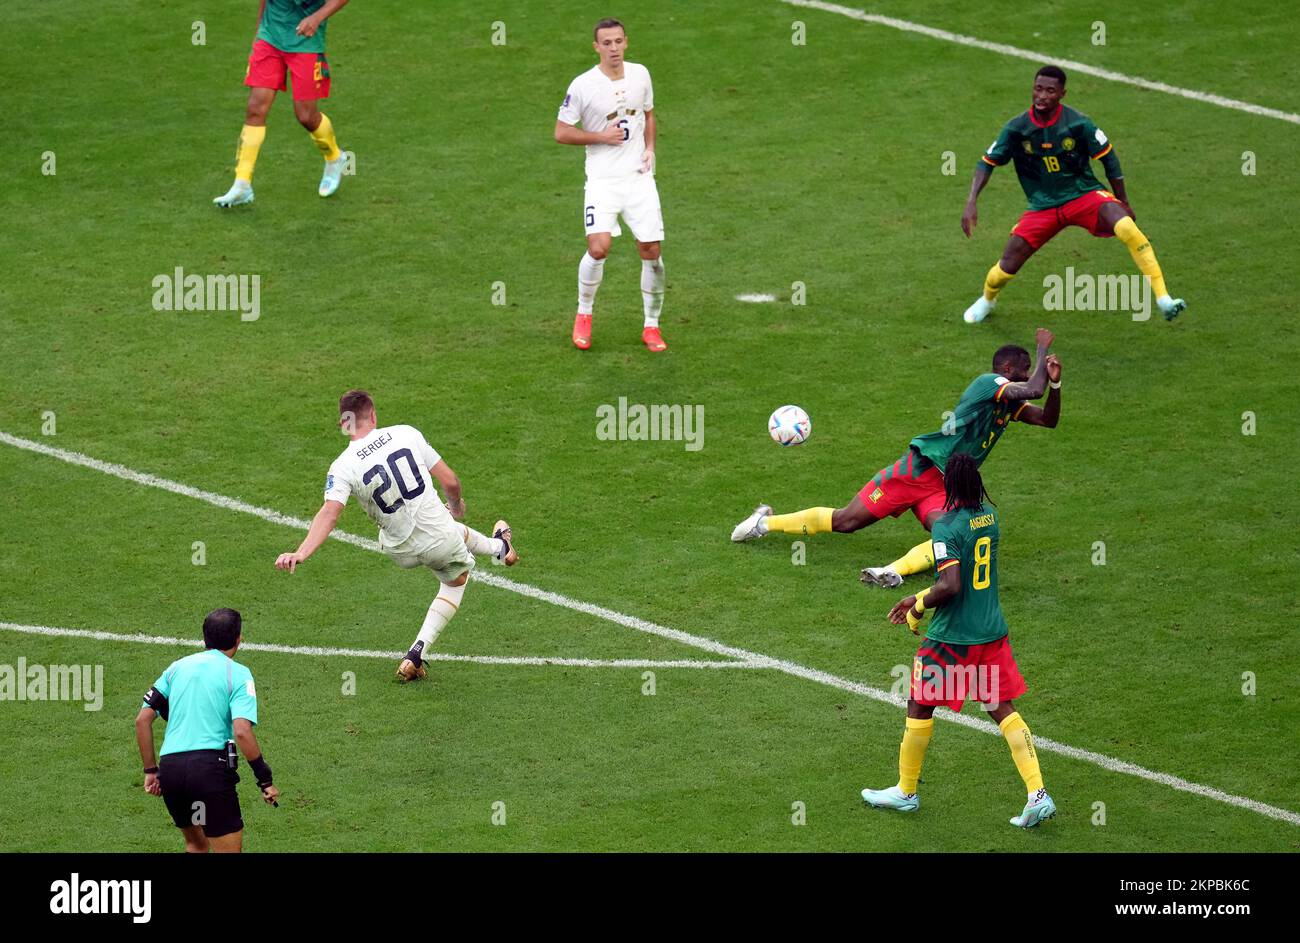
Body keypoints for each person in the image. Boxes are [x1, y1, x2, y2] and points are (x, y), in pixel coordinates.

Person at [731, 329, 1061, 589]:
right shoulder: (989, 383)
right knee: (847, 522)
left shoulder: (1008, 404)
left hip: (945, 484)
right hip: (916, 471)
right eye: (1025, 367)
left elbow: (1047, 418)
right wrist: (1043, 348)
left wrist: (1056, 383)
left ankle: (889, 571)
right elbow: (1033, 389)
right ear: (1007, 369)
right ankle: (762, 523)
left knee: (951, 537)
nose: (1029, 372)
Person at [861, 454, 1056, 828]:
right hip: (991, 631)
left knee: (919, 704)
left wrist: (917, 601)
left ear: (949, 485)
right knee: (1000, 705)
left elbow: (950, 585)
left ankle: (905, 791)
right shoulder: (990, 517)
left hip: (953, 638)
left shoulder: (946, 527)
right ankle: (1037, 793)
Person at [273, 390, 518, 681]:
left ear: (343, 424)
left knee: (435, 523)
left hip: (397, 548)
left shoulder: (342, 466)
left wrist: (301, 552)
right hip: (438, 540)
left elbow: (330, 512)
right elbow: (451, 481)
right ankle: (417, 653)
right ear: (374, 415)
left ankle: (499, 548)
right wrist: (455, 506)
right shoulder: (406, 434)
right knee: (456, 579)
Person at [959, 65, 1185, 323]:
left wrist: (1122, 201)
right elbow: (986, 163)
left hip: (1083, 195)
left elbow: (1109, 159)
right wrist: (971, 202)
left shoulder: (1078, 123)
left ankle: (1164, 298)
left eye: (1050, 91)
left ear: (1062, 94)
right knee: (1006, 267)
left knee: (1127, 228)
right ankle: (987, 300)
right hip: (1042, 206)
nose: (1042, 95)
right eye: (1038, 88)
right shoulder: (1016, 128)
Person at [556, 18, 668, 353]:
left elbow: (648, 114)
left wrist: (650, 150)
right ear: (596, 47)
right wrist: (600, 136)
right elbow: (561, 132)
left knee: (651, 250)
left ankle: (651, 326)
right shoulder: (583, 85)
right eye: (607, 43)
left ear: (626, 42)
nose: (614, 48)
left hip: (638, 179)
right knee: (598, 248)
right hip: (603, 181)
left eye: (618, 41)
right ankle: (584, 315)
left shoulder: (641, 74)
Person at [135, 608, 280, 852]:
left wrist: (151, 770)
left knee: (196, 844)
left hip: (172, 771)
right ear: (238, 639)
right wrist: (264, 778)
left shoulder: (176, 668)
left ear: (205, 638)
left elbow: (142, 720)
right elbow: (242, 731)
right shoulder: (238, 673)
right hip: (209, 772)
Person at [214, 0, 351, 207]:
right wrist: (259, 34)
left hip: (305, 41)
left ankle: (334, 157)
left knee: (306, 116)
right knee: (255, 109)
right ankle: (242, 184)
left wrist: (317, 17)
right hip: (270, 37)